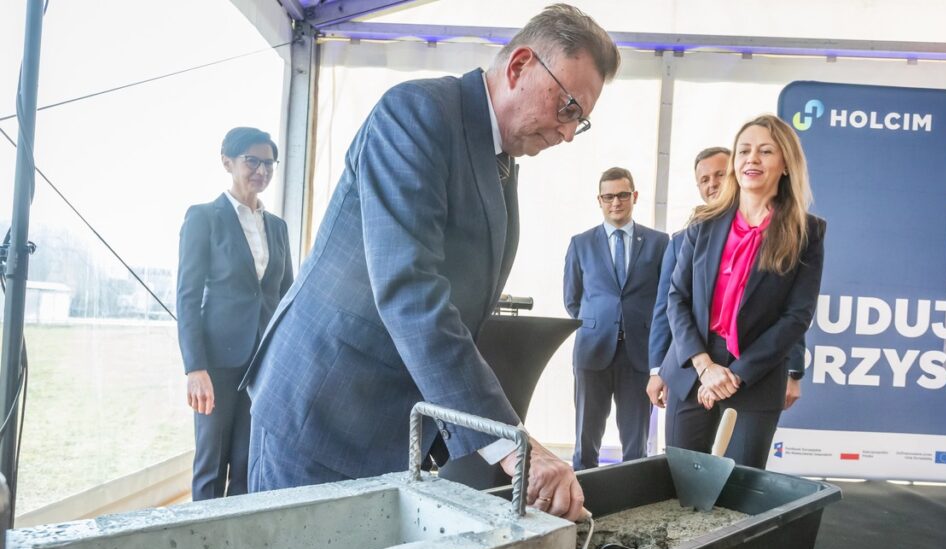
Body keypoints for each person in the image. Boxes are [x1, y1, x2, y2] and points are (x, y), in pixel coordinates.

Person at [242, 4, 620, 521]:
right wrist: (511, 444)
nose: (569, 133)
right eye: (568, 106)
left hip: (386, 426)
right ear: (519, 67)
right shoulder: (415, 114)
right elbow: (410, 291)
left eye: (582, 120)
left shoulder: (501, 157)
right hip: (321, 414)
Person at [658, 115, 825, 469]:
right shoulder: (703, 222)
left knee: (737, 491)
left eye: (765, 151)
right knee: (679, 484)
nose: (752, 159)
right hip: (692, 367)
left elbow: (797, 316)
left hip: (756, 374)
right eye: (744, 150)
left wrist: (734, 375)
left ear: (785, 164)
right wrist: (704, 368)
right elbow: (676, 298)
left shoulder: (806, 233)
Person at [176, 127, 294, 500]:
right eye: (252, 161)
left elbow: (285, 296)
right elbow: (187, 297)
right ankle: (202, 547)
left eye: (269, 163)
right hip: (217, 363)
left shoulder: (277, 228)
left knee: (249, 464)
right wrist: (195, 368)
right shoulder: (204, 217)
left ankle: (235, 548)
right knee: (211, 464)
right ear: (228, 162)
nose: (262, 170)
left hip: (263, 364)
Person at [563, 167, 668, 470]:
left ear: (634, 196)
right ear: (599, 200)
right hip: (593, 351)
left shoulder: (659, 243)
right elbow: (572, 300)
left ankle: (633, 501)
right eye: (608, 197)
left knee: (637, 443)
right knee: (586, 438)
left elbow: (665, 300)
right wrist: (600, 323)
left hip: (640, 353)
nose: (616, 202)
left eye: (622, 195)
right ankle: (581, 497)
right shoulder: (580, 243)